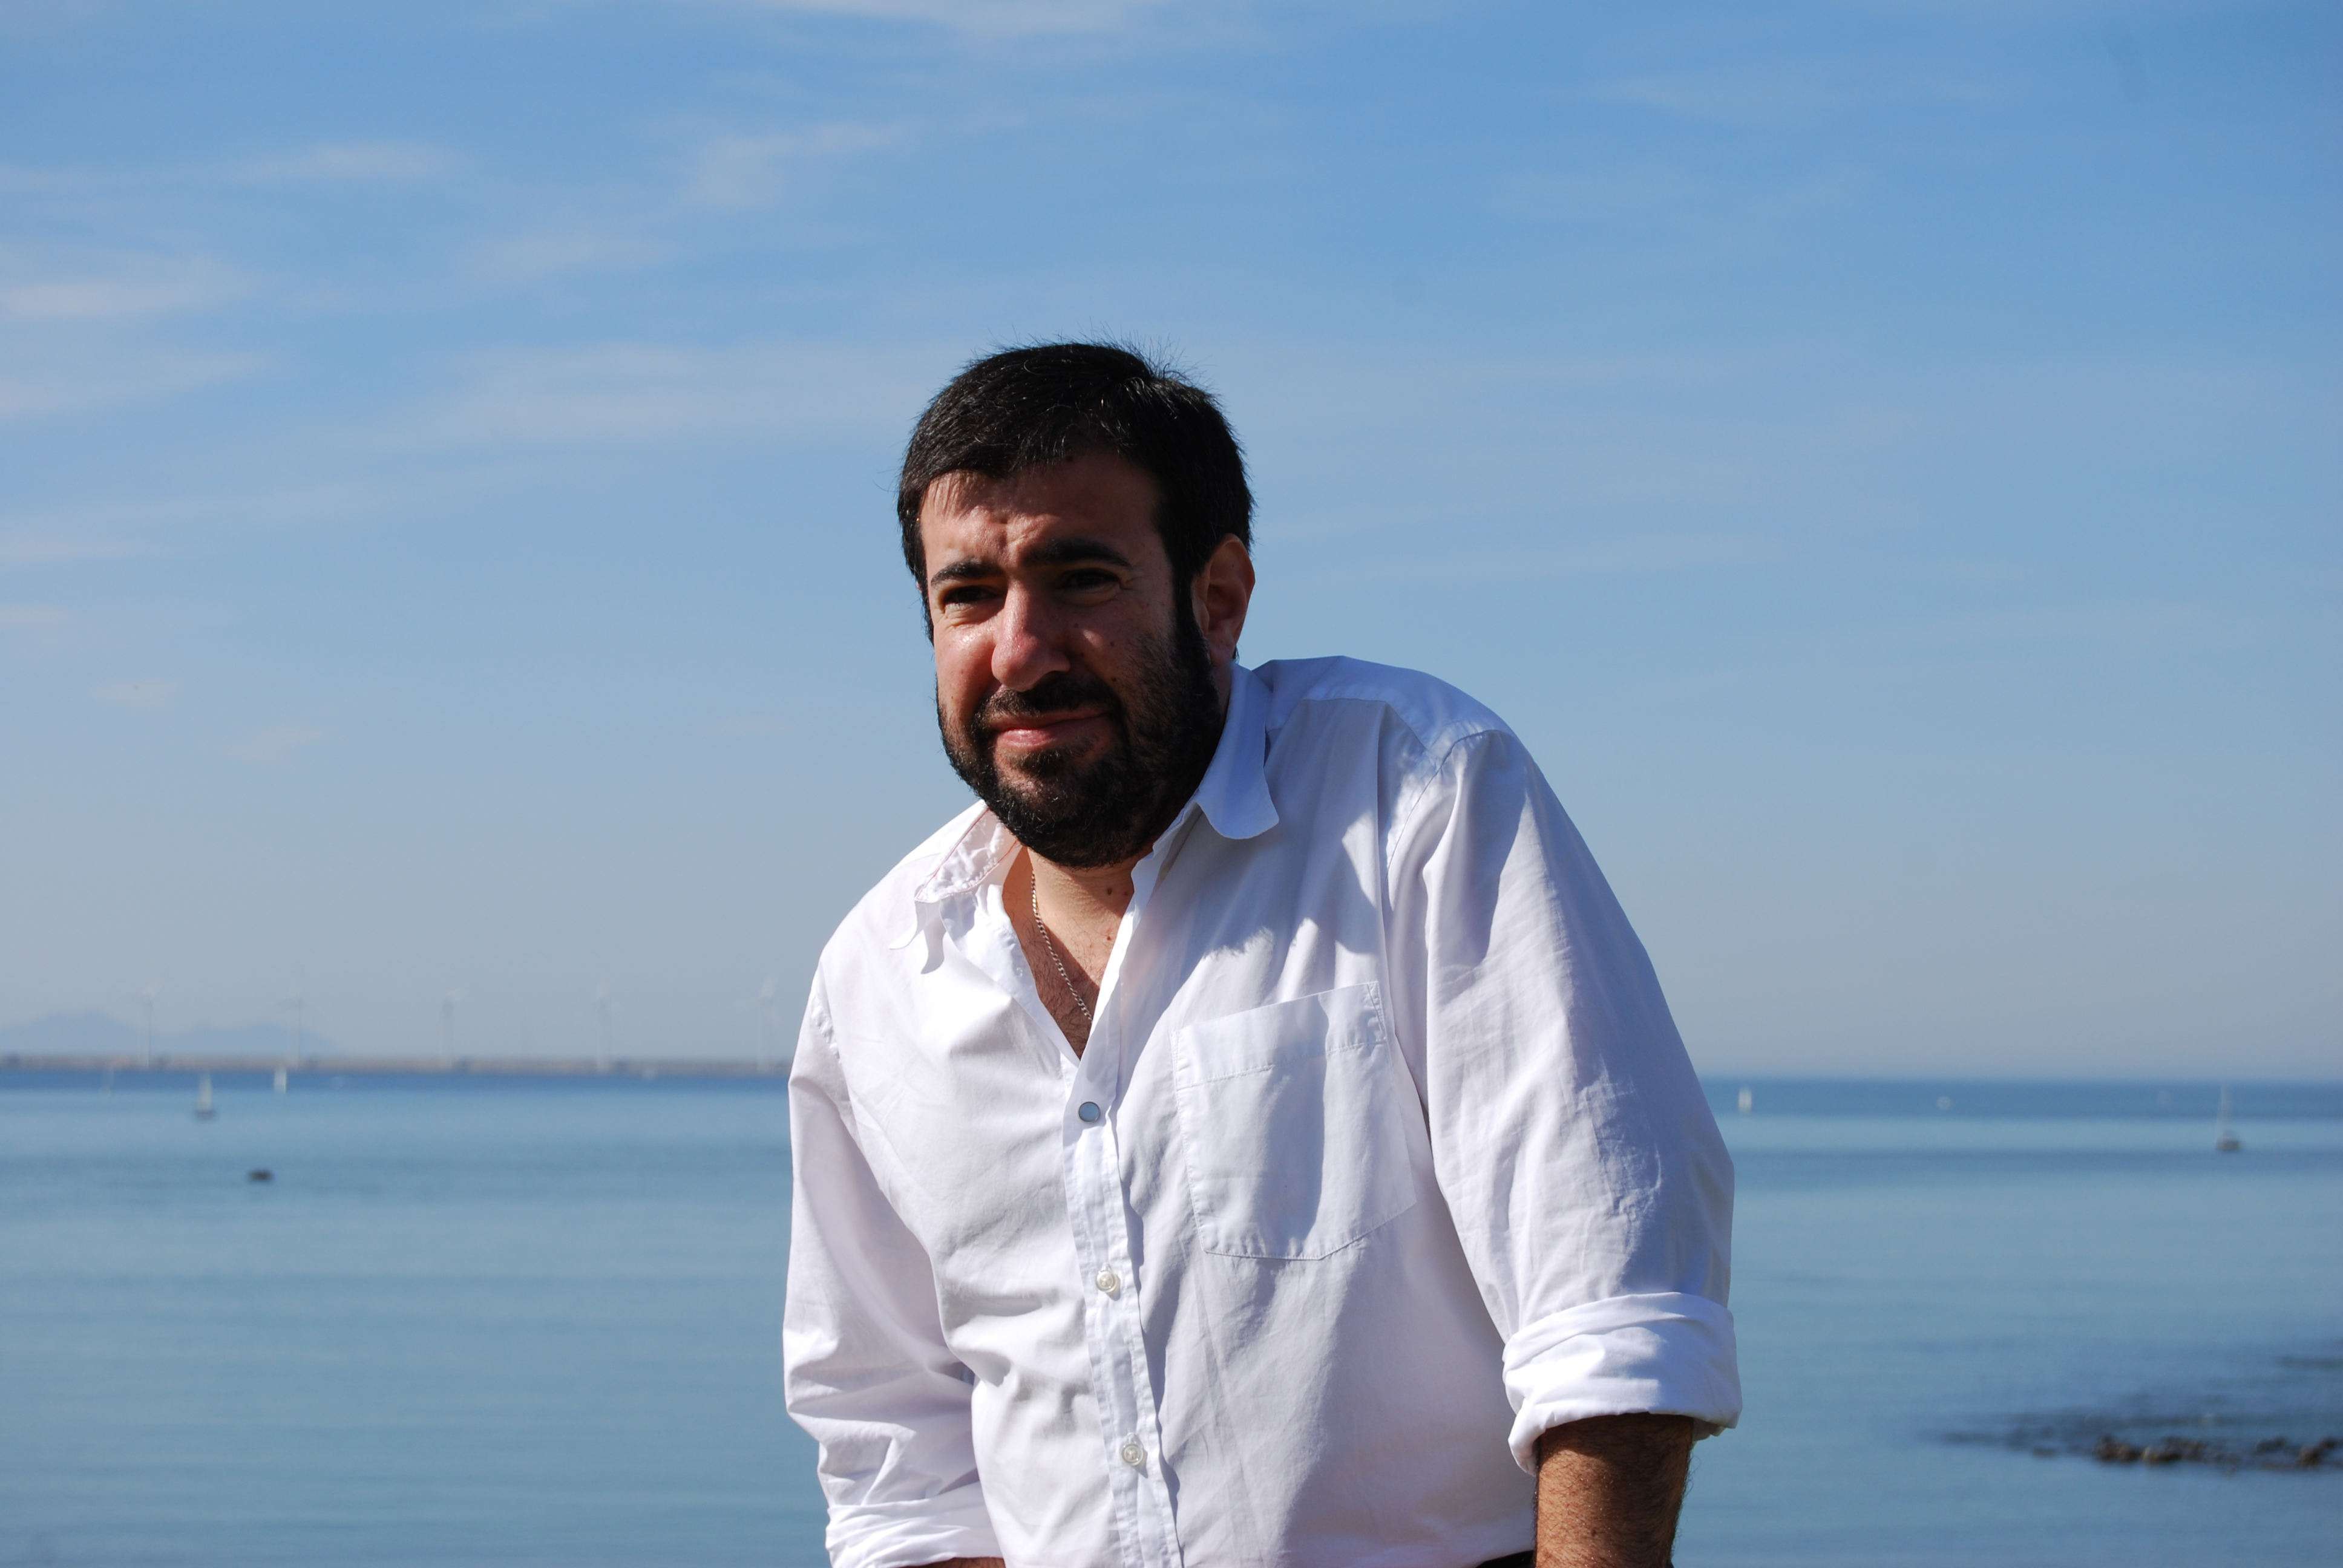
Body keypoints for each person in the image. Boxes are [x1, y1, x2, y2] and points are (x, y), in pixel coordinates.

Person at [784, 342, 1740, 1568]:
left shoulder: (1414, 798)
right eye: (967, 595)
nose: (1021, 649)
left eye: (1081, 578)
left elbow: (1612, 1315)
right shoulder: (879, 977)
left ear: (1219, 596)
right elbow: (895, 1457)